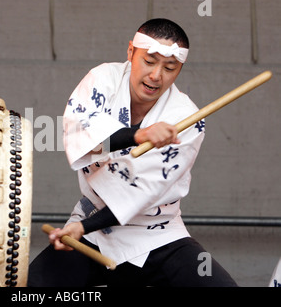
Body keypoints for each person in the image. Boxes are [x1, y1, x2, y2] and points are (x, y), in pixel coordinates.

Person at [28, 18, 238, 287]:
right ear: (131, 52)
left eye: (170, 67)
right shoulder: (102, 79)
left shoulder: (186, 118)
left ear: (179, 70)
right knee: (32, 288)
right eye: (149, 62)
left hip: (157, 233)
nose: (156, 76)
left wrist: (81, 228)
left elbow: (142, 192)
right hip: (95, 226)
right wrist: (138, 135)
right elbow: (80, 138)